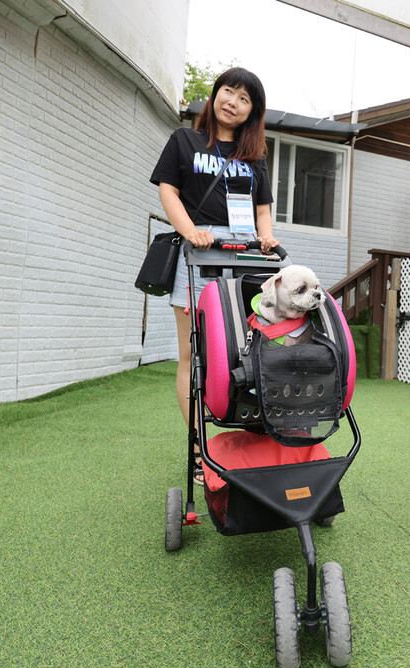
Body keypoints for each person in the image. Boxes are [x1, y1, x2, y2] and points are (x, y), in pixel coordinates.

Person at [150, 67, 279, 484]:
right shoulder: (184, 140)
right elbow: (167, 188)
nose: (233, 102)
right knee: (193, 354)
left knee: (247, 345)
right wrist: (190, 231)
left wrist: (267, 238)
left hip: (244, 261)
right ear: (215, 95)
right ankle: (196, 439)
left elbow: (262, 208)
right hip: (197, 255)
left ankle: (249, 426)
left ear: (251, 112)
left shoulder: (254, 157)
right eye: (229, 91)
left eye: (245, 99)